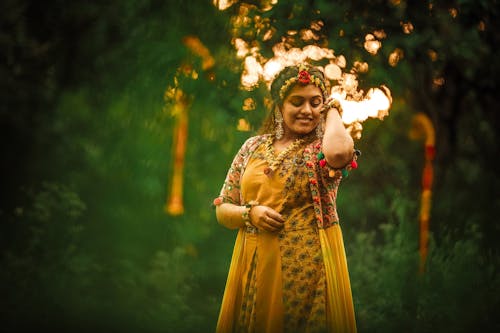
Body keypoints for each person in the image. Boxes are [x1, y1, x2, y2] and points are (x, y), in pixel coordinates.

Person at [213, 63, 359, 333]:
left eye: (316, 103)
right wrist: (249, 214)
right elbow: (223, 209)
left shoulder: (321, 150)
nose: (307, 110)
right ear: (279, 106)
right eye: (297, 102)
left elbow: (340, 154)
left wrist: (334, 109)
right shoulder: (252, 147)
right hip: (254, 266)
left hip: (304, 268)